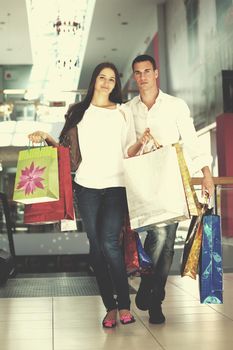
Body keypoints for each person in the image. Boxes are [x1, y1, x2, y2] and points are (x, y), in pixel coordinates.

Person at [28, 62, 147, 328]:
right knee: (96, 247)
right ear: (94, 80)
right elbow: (65, 152)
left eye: (112, 79)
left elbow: (129, 149)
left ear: (116, 84)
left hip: (116, 185)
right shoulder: (78, 112)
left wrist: (142, 142)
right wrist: (47, 136)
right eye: (102, 77)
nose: (106, 83)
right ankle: (110, 307)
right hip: (86, 187)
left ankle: (125, 305)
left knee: (110, 244)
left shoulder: (123, 112)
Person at [126, 54, 215, 324]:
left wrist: (207, 174)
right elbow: (126, 149)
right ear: (135, 76)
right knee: (158, 239)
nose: (142, 77)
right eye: (137, 73)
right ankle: (154, 291)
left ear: (156, 73)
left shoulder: (176, 106)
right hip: (143, 184)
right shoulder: (128, 109)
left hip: (173, 180)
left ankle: (153, 294)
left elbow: (191, 141)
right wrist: (141, 142)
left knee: (165, 241)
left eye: (146, 71)